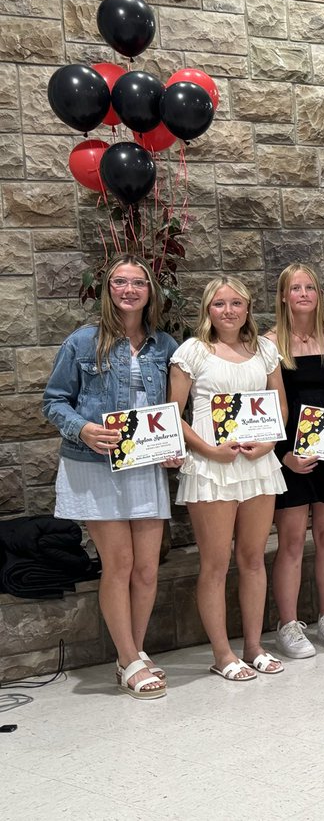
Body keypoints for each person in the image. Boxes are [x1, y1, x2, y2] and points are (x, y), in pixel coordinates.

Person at [43, 253, 179, 699]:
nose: (128, 290)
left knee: (147, 569)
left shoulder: (164, 346)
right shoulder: (83, 342)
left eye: (138, 282)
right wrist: (82, 428)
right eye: (120, 281)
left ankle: (132, 653)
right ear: (108, 289)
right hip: (95, 465)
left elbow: (174, 409)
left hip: (145, 464)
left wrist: (174, 445)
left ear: (150, 291)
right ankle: (129, 657)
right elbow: (54, 401)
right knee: (119, 564)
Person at [169, 276, 287, 682]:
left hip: (257, 465)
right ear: (208, 309)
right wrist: (209, 450)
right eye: (220, 304)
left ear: (248, 308)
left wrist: (269, 443)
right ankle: (222, 654)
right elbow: (173, 414)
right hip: (211, 467)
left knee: (253, 558)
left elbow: (280, 408)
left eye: (236, 303)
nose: (229, 311)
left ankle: (254, 646)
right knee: (215, 563)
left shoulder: (265, 350)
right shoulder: (192, 352)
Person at [266, 264, 324, 659]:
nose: (303, 294)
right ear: (283, 296)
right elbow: (267, 409)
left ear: (319, 295)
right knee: (289, 541)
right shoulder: (268, 344)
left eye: (310, 287)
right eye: (295, 288)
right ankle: (288, 625)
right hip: (290, 457)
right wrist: (283, 455)